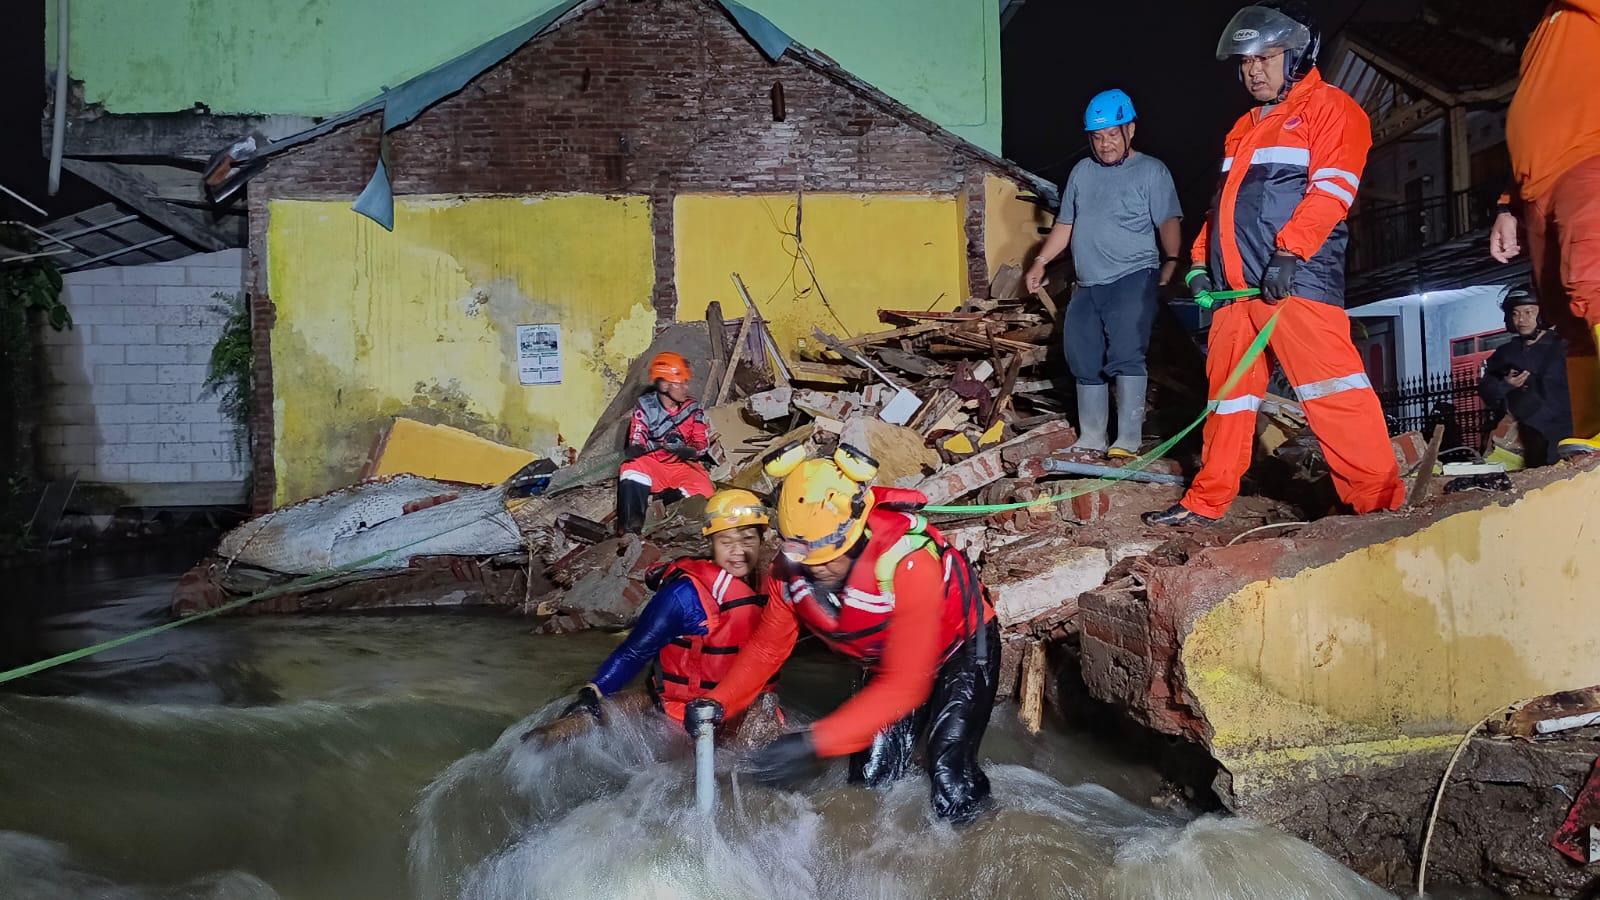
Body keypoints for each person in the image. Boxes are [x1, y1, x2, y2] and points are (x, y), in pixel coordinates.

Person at [1144, 0, 1405, 527]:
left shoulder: (1333, 110)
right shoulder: (1243, 127)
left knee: (1334, 393)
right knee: (1227, 401)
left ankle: (1379, 506)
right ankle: (1206, 502)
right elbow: (1225, 206)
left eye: (1265, 58)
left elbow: (1332, 192)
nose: (1252, 71)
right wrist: (1198, 261)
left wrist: (1290, 253)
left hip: (1294, 284)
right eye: (1245, 63)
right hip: (1234, 295)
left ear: (1298, 55)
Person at [681, 443, 999, 825]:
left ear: (856, 531)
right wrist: (719, 701)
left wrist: (817, 741)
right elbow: (768, 649)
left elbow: (908, 683)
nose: (819, 569)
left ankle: (971, 842)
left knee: (948, 766)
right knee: (869, 783)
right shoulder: (792, 572)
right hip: (884, 660)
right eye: (807, 558)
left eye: (830, 555)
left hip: (958, 647)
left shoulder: (909, 561)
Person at [1025, 89, 1184, 459]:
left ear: (1130, 130)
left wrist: (1172, 260)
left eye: (1112, 134)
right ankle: (1093, 437)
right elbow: (1066, 224)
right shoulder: (1082, 173)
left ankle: (1127, 440)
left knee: (1127, 351)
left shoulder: (1151, 171)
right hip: (1089, 281)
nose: (1105, 144)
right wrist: (1041, 261)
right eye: (1097, 137)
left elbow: (1168, 220)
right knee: (1081, 354)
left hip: (1133, 275)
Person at [547, 490, 777, 729]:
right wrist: (594, 691)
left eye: (748, 539)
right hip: (688, 720)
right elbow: (634, 652)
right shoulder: (683, 596)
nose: (737, 551)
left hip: (750, 711)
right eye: (726, 542)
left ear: (763, 539)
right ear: (710, 542)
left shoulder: (773, 586)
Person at [1488, 0, 1600, 457]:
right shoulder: (1545, 28)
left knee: (1593, 279)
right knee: (1565, 312)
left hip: (1588, 161)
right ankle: (1592, 432)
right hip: (1536, 187)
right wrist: (1508, 204)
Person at [617, 352, 717, 535]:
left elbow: (702, 444)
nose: (686, 388)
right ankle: (630, 530)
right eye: (681, 383)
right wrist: (636, 448)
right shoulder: (645, 406)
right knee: (630, 469)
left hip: (682, 466)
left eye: (686, 382)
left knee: (706, 491)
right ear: (663, 384)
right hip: (654, 464)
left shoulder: (693, 409)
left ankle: (664, 503)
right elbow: (637, 437)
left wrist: (691, 451)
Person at [1480, 288, 1573, 467]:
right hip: (1519, 445)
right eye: (1515, 314)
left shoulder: (1563, 348)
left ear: (1542, 314)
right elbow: (1486, 391)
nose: (1521, 320)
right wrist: (1505, 385)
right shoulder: (1505, 354)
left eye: (1528, 312)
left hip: (1561, 438)